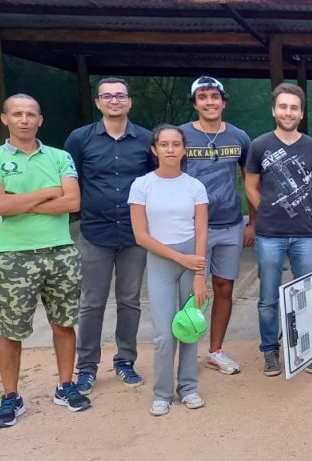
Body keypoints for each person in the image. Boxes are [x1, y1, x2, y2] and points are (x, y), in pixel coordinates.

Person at [0, 94, 90, 428]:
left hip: (60, 252)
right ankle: (11, 396)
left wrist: (17, 201)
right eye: (17, 114)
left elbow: (72, 201)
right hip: (13, 256)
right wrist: (48, 192)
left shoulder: (60, 157)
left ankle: (65, 385)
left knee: (64, 324)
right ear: (5, 119)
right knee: (11, 331)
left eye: (30, 114)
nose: (24, 119)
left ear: (40, 120)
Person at [65, 77, 154, 393]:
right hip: (95, 232)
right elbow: (70, 181)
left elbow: (156, 182)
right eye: (107, 96)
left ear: (129, 101)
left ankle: (125, 361)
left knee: (129, 300)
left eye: (120, 95)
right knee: (92, 302)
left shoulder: (146, 138)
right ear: (98, 102)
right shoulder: (80, 139)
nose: (114, 100)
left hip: (135, 235)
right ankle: (87, 367)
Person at [244, 83, 312, 377]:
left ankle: (309, 349)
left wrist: (305, 211)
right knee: (268, 297)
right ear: (274, 110)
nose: (288, 112)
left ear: (301, 112)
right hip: (269, 235)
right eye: (283, 106)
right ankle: (270, 351)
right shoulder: (259, 145)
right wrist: (266, 210)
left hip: (305, 234)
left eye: (294, 107)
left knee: (308, 294)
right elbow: (250, 185)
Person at [129, 124, 210, 416]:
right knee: (164, 333)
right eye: (164, 144)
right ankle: (162, 393)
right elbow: (141, 236)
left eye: (176, 144)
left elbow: (201, 231)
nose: (170, 149)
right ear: (155, 150)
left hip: (193, 260)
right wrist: (179, 258)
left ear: (184, 149)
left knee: (190, 326)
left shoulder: (194, 186)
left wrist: (199, 274)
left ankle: (188, 387)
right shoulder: (142, 185)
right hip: (162, 260)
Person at [179, 76, 253, 375]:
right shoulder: (181, 135)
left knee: (224, 288)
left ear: (223, 101)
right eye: (202, 97)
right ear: (195, 103)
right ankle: (185, 356)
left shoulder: (239, 137)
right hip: (191, 227)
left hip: (231, 225)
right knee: (190, 292)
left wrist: (252, 224)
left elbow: (251, 182)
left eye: (214, 96)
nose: (209, 102)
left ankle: (216, 352)